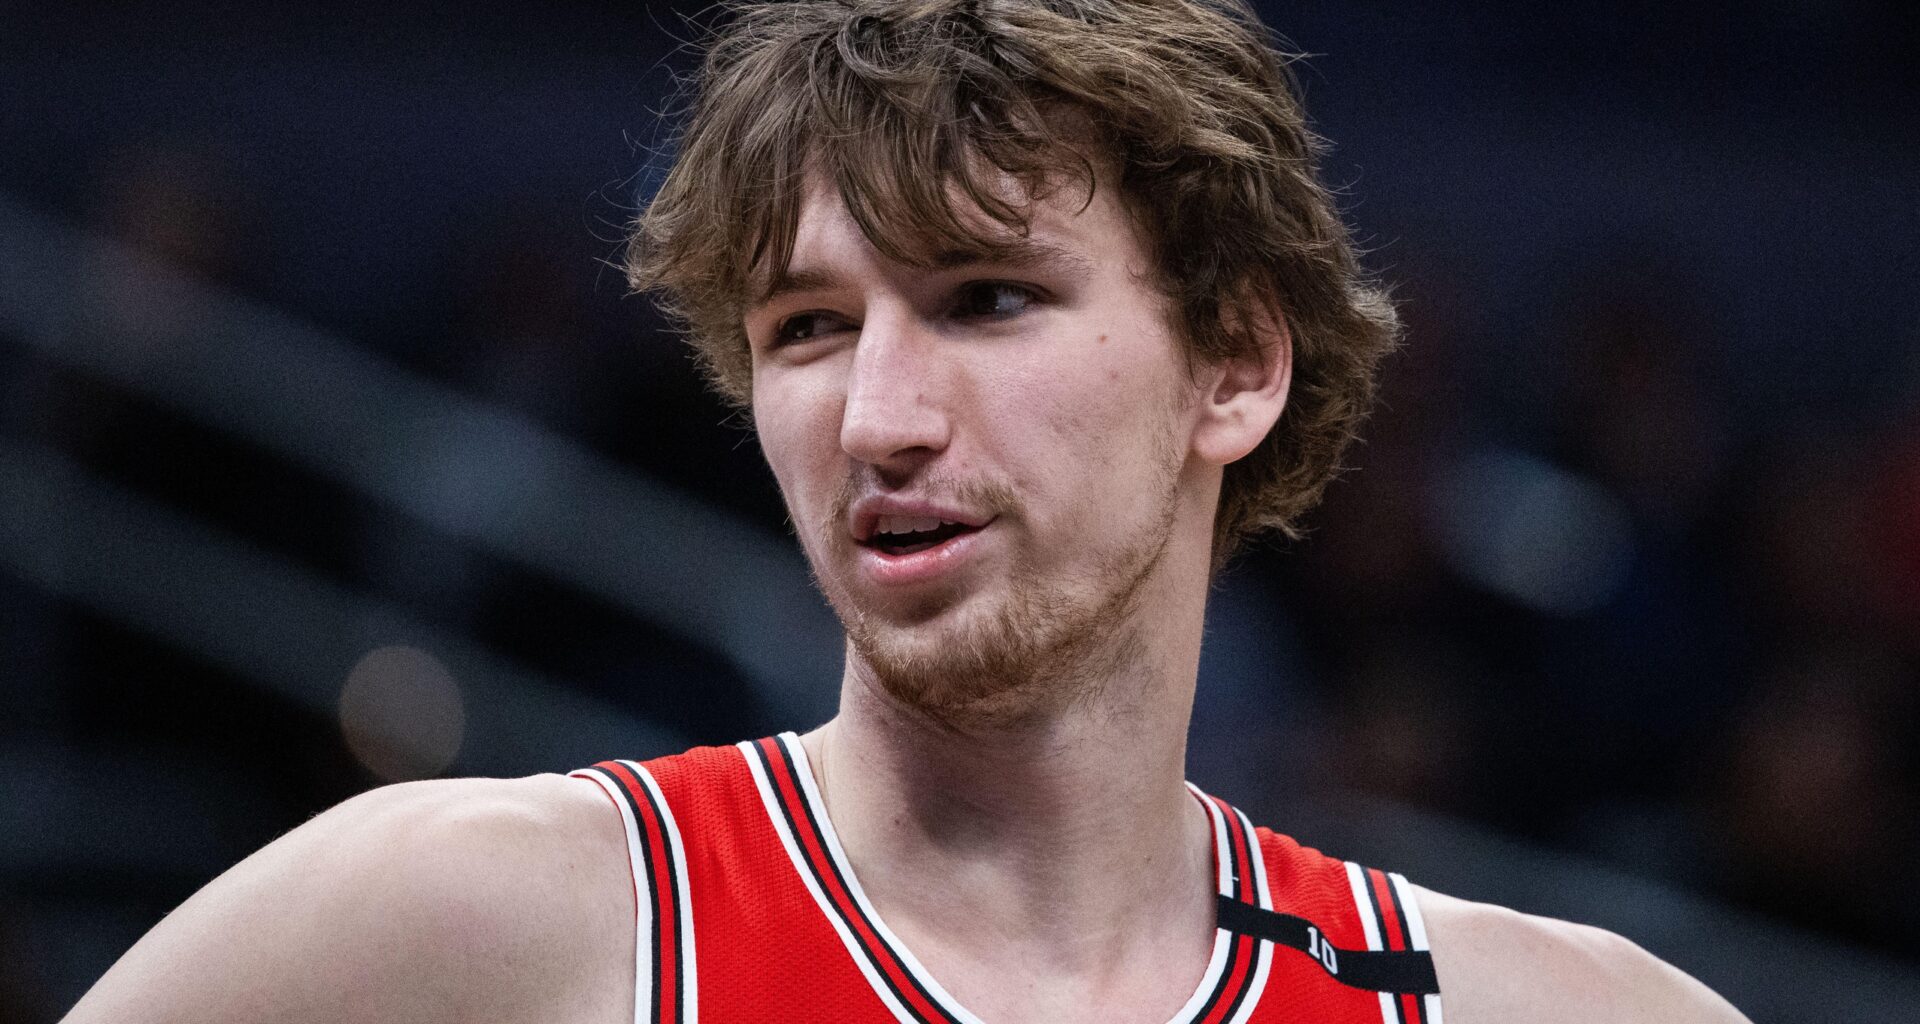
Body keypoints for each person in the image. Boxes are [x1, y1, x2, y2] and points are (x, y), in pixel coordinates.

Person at [64, 1, 1751, 1021]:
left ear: (1234, 365)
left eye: (987, 299)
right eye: (806, 329)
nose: (874, 415)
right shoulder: (471, 923)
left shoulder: (1527, 1008)